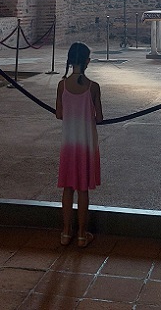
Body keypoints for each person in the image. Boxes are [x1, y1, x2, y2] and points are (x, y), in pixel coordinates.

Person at [55, 42, 103, 248]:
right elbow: (99, 118)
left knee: (67, 188)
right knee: (83, 189)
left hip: (68, 144)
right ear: (87, 62)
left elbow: (59, 114)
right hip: (86, 144)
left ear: (69, 61)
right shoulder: (93, 87)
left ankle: (66, 233)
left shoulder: (62, 85)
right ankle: (82, 235)